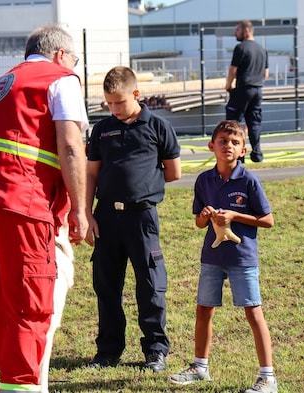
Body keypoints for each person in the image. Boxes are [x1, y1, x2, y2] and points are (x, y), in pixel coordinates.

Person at [0, 25, 88, 393]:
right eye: (75, 59)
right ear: (61, 55)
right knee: (30, 301)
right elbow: (71, 145)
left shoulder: (1, 84)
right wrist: (79, 209)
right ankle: (23, 387)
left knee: (5, 301)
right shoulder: (61, 79)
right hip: (22, 199)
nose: (76, 66)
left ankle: (12, 381)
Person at [168, 120, 277, 392]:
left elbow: (268, 220)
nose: (228, 146)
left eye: (235, 142)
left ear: (243, 150)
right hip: (212, 258)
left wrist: (235, 215)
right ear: (211, 146)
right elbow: (198, 223)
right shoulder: (204, 180)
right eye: (222, 141)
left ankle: (267, 377)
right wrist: (204, 217)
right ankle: (199, 367)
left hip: (242, 258)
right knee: (204, 309)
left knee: (253, 311)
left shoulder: (249, 180)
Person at [85, 66, 181, 373]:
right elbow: (91, 174)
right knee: (106, 286)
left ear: (136, 94)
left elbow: (173, 171)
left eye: (119, 102)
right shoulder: (102, 130)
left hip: (141, 218)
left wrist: (142, 187)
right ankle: (108, 351)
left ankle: (155, 350)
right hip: (106, 218)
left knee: (150, 286)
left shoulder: (158, 127)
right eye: (109, 103)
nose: (114, 108)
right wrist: (86, 214)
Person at [225, 20, 269, 163]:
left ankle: (238, 156)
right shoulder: (262, 49)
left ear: (247, 31)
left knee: (234, 122)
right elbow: (266, 74)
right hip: (257, 89)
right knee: (254, 121)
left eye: (237, 30)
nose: (235, 33)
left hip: (243, 88)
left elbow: (233, 70)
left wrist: (228, 84)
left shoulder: (241, 48)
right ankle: (257, 154)